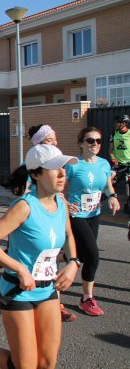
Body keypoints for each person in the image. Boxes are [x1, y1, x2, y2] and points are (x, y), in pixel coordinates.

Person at [0, 144, 79, 369]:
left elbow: (69, 235)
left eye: (63, 167)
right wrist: (21, 269)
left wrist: (73, 262)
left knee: (47, 363)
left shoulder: (60, 203)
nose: (63, 173)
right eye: (55, 168)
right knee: (25, 366)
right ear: (36, 174)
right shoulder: (24, 207)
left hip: (48, 290)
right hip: (19, 292)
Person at [66, 127, 120, 316]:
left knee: (81, 255)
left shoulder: (104, 164)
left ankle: (48, 263)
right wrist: (64, 203)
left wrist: (112, 196)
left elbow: (107, 184)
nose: (95, 144)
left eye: (98, 140)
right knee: (93, 255)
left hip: (94, 214)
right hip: (76, 216)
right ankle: (87, 298)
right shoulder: (73, 164)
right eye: (90, 140)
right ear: (81, 143)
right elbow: (55, 186)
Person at [108, 114, 130, 213]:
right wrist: (113, 159)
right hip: (118, 163)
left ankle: (128, 204)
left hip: (129, 163)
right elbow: (110, 149)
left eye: (117, 122)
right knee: (110, 179)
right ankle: (108, 198)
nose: (115, 124)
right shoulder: (114, 133)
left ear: (124, 123)